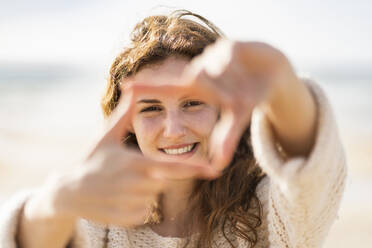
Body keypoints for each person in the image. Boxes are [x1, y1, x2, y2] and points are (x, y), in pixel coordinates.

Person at [0, 10, 346, 248]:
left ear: (224, 110)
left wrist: (279, 79)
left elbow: (312, 167)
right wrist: (59, 201)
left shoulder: (268, 211)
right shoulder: (100, 216)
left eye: (193, 102)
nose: (174, 129)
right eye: (151, 108)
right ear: (127, 124)